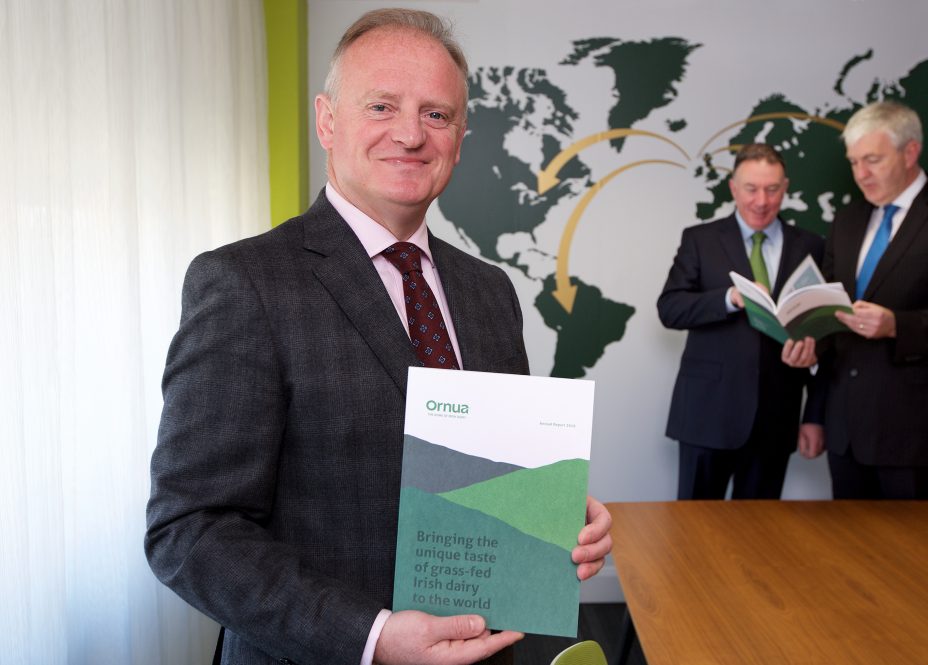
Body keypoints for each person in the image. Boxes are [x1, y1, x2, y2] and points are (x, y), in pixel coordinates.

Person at [144, 9, 612, 665]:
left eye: (437, 114)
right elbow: (188, 530)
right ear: (328, 120)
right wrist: (372, 636)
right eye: (383, 106)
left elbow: (494, 469)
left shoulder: (490, 290)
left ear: (460, 135)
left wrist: (557, 515)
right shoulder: (244, 283)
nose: (410, 134)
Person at [792, 100, 928, 500]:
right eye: (854, 162)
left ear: (910, 152)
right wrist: (809, 347)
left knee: (922, 562)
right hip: (848, 435)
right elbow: (833, 314)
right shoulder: (847, 220)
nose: (861, 174)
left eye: (872, 160)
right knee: (851, 559)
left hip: (921, 438)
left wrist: (897, 326)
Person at [658, 143, 823, 500]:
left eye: (772, 189)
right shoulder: (699, 240)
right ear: (733, 188)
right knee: (693, 536)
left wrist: (814, 359)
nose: (761, 201)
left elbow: (823, 330)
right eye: (751, 189)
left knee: (758, 541)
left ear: (786, 187)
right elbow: (670, 308)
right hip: (706, 415)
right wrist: (729, 298)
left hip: (776, 419)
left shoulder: (813, 245)